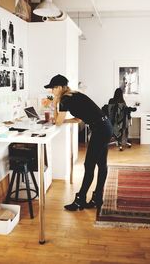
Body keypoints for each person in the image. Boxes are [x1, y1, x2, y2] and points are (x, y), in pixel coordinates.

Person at [44, 74, 113, 211]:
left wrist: (55, 103)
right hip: (106, 126)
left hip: (100, 130)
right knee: (101, 164)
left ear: (61, 88)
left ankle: (80, 200)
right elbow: (79, 119)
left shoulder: (64, 99)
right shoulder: (74, 95)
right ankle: (97, 197)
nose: (52, 91)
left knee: (89, 165)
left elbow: (57, 122)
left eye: (53, 88)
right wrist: (65, 120)